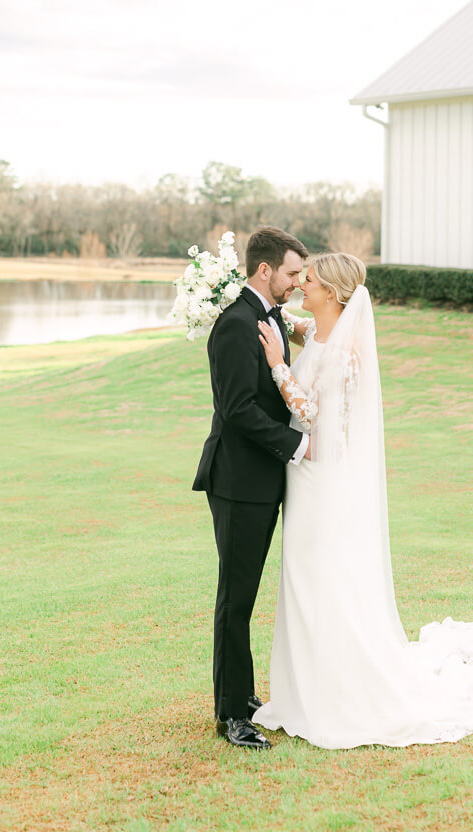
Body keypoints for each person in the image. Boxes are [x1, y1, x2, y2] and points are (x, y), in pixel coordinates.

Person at [254, 251, 473, 749]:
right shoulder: (320, 332)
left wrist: (277, 367)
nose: (301, 286)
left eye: (308, 282)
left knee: (321, 579)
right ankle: (304, 687)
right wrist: (258, 304)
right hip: (303, 483)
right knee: (302, 578)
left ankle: (336, 693)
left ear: (331, 292)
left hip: (323, 482)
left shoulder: (347, 355)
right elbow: (301, 326)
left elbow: (312, 416)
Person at [193, 225, 309, 750]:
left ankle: (242, 697)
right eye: (290, 273)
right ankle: (229, 716)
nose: (296, 283)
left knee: (246, 597)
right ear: (265, 269)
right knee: (234, 600)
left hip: (263, 483)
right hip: (238, 483)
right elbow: (237, 410)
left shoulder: (271, 317)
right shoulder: (236, 324)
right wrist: (297, 445)